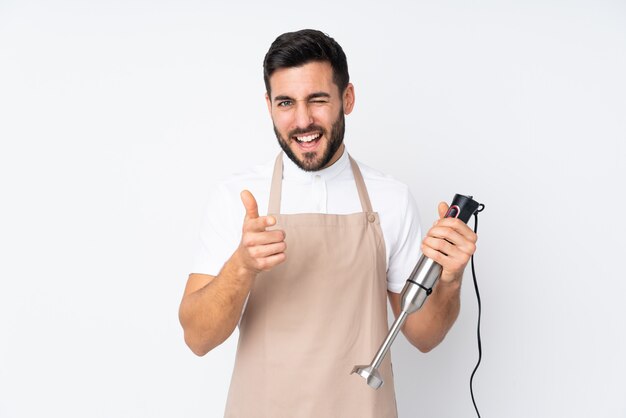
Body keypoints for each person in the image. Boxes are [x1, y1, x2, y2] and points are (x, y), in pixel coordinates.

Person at [179, 29, 478, 418]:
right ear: (269, 105)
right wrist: (242, 265)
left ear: (347, 99)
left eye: (317, 100)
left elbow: (425, 335)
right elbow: (197, 339)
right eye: (286, 102)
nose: (303, 120)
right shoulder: (236, 196)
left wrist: (450, 280)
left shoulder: (390, 197)